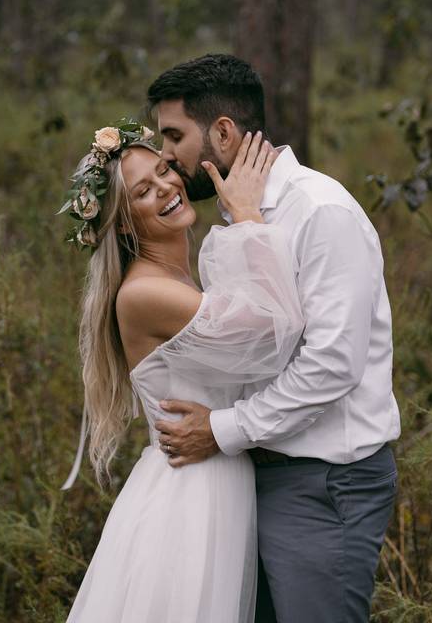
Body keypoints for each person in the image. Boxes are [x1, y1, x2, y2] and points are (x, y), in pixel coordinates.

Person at [146, 54, 402, 623]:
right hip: (253, 472)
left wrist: (221, 429)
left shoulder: (321, 212)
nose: (165, 154)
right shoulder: (238, 218)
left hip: (325, 483)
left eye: (173, 135)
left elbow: (332, 365)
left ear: (223, 132)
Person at [59, 117, 303, 623]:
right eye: (144, 192)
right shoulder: (145, 292)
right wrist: (249, 216)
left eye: (164, 171)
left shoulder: (177, 279)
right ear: (125, 223)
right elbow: (268, 331)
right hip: (190, 498)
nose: (168, 187)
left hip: (217, 478)